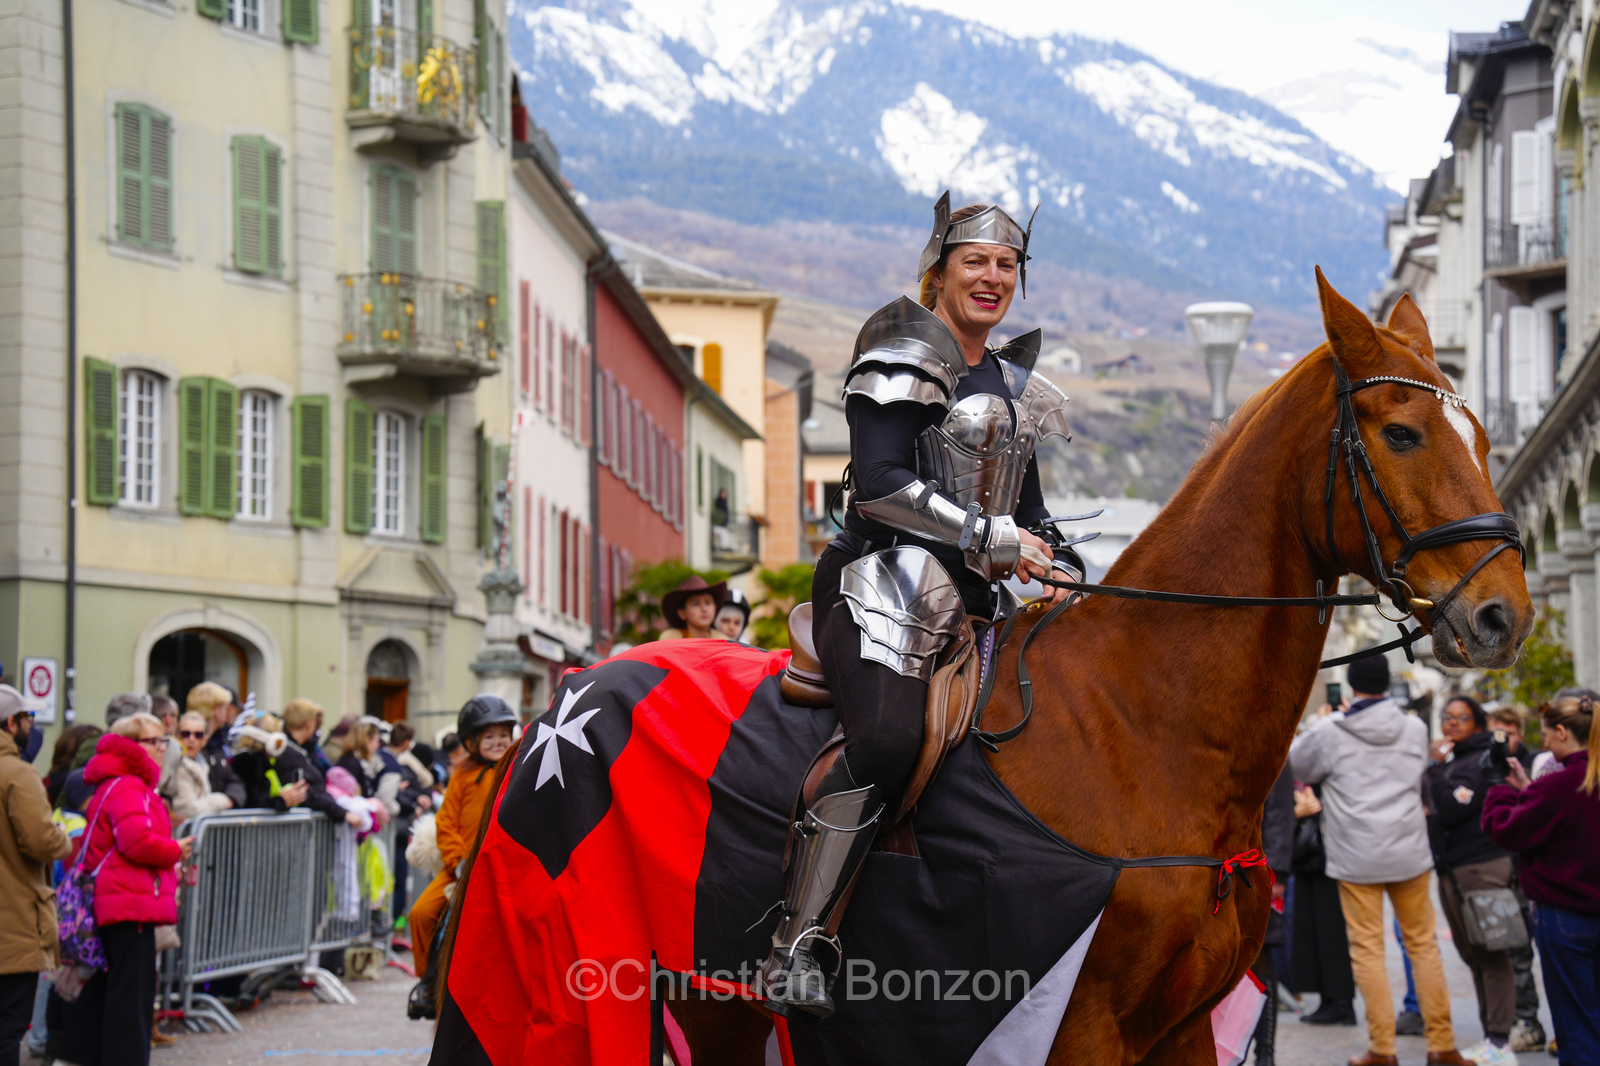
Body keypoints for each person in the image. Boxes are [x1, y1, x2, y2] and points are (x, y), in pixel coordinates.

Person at [758, 191, 1081, 1018]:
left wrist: (1061, 557)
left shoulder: (1013, 382)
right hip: (881, 585)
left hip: (976, 604)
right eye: (976, 261)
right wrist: (994, 538)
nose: (993, 277)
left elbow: (1031, 509)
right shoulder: (900, 351)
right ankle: (801, 938)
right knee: (892, 735)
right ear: (938, 269)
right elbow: (881, 485)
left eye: (1008, 265)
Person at [1289, 653, 1471, 1066]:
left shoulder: (1332, 730)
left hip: (1356, 854)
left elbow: (1297, 765)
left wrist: (1323, 720)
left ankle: (1382, 1048)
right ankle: (1442, 1045)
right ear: (1387, 683)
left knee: (1367, 950)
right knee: (1423, 946)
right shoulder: (1413, 728)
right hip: (1408, 849)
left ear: (1351, 685)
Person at [52, 712, 193, 1066]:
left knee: (107, 989)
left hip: (121, 899)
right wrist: (176, 849)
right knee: (131, 997)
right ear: (132, 746)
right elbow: (136, 842)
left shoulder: (118, 783)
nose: (163, 748)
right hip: (127, 902)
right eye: (154, 741)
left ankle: (74, 1057)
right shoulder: (129, 785)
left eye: (164, 741)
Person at [1481, 693, 1600, 1066]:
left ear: (1563, 732)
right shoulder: (1572, 784)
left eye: (1547, 733)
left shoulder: (1562, 785)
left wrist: (1499, 786)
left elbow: (1506, 830)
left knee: (1576, 1022)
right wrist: (1527, 788)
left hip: (1565, 917)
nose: (1543, 743)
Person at [1424, 695, 1519, 1065]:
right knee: (1475, 954)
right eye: (1447, 717)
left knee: (1494, 953)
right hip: (1457, 871)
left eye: (1461, 718)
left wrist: (1433, 769)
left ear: (1478, 724)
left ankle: (1499, 1041)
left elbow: (1452, 807)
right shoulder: (1458, 759)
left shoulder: (1479, 761)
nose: (1451, 724)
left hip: (1481, 869)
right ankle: (1491, 1038)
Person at [407, 696, 516, 990]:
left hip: (505, 867)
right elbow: (445, 823)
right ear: (470, 742)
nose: (498, 742)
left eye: (503, 736)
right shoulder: (461, 777)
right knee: (421, 913)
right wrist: (458, 862)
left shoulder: (518, 772)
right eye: (489, 737)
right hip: (461, 867)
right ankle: (428, 982)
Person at [0, 685, 70, 1065]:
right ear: (12, 723)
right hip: (11, 920)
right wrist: (62, 837)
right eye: (28, 718)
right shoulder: (16, 773)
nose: (32, 727)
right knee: (7, 1028)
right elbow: (43, 842)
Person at [1484, 706, 1545, 1053]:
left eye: (1510, 733)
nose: (1504, 740)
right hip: (1502, 872)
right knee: (1515, 952)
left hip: (1532, 873)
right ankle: (1527, 1020)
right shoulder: (1486, 767)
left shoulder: (1535, 765)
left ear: (1521, 734)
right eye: (1497, 733)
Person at [1291, 778, 1357, 1026]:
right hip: (1311, 861)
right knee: (1312, 934)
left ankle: (1341, 1002)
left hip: (1330, 861)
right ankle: (1329, 1000)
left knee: (1332, 935)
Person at [1251, 766, 1295, 1065]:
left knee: (1261, 958)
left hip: (1260, 867)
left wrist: (1276, 871)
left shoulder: (1269, 734)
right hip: (1212, 867)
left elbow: (1281, 813)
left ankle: (1265, 1054)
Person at [385, 722, 433, 926]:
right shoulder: (396, 761)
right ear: (406, 743)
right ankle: (389, 923)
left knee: (398, 877)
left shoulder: (395, 761)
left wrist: (410, 795)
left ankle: (393, 922)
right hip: (393, 828)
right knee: (394, 877)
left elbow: (421, 785)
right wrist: (412, 801)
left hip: (398, 829)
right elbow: (424, 781)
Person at [270, 699, 346, 823]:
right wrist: (341, 813)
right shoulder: (289, 752)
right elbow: (307, 792)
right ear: (309, 724)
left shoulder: (301, 750)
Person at [161, 711, 235, 822]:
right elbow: (189, 809)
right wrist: (223, 800)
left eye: (198, 735)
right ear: (177, 736)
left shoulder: (202, 763)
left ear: (205, 740)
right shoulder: (177, 764)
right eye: (186, 734)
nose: (191, 739)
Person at [184, 682, 246, 808]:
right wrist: (221, 803)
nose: (228, 712)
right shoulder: (190, 746)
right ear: (217, 712)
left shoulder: (217, 744)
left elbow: (233, 780)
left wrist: (231, 799)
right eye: (225, 708)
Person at [658, 575, 726, 640]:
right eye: (696, 604)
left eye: (708, 603)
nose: (704, 609)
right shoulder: (670, 639)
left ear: (715, 608)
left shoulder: (723, 641)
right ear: (682, 613)